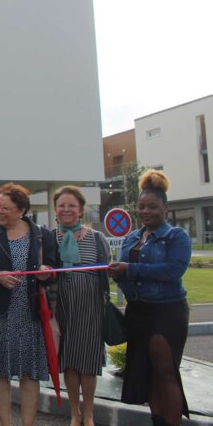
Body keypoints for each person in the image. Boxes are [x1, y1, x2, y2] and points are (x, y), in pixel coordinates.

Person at [0, 183, 56, 426]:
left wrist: (46, 272)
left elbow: (54, 270)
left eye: (5, 208)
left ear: (22, 210)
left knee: (30, 373)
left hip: (29, 314)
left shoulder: (41, 235)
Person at [108, 170, 191, 426]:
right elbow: (125, 276)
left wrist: (130, 269)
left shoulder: (176, 237)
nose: (146, 211)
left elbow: (173, 270)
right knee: (149, 373)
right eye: (142, 206)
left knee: (166, 373)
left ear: (165, 207)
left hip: (167, 312)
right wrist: (118, 275)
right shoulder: (132, 237)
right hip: (138, 312)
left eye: (153, 207)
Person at [51, 185, 111, 426]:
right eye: (61, 205)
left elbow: (107, 270)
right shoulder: (49, 238)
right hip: (61, 308)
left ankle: (89, 414)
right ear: (55, 209)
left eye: (71, 205)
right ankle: (74, 413)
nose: (66, 209)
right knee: (68, 362)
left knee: (88, 363)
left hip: (90, 308)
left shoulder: (97, 238)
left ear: (81, 210)